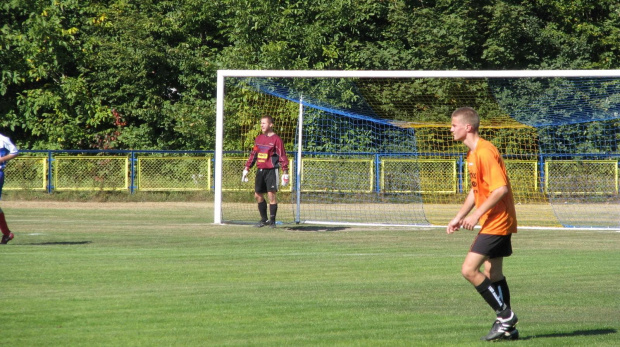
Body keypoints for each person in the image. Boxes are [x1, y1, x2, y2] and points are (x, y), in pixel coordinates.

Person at [446, 107, 519, 341]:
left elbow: (500, 189)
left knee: (469, 270)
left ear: (468, 127)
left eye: (454, 125)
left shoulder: (485, 152)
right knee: (493, 272)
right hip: (494, 220)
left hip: (497, 222)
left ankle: (505, 316)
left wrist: (476, 215)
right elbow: (477, 190)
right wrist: (459, 216)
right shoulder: (472, 154)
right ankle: (508, 329)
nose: (451, 129)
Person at [242, 116, 289, 228]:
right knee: (257, 195)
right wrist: (246, 168)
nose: (262, 125)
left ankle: (272, 222)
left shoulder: (277, 139)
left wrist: (285, 172)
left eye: (264, 123)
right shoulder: (258, 139)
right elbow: (254, 155)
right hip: (260, 170)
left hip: (271, 171)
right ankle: (264, 220)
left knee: (271, 195)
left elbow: (282, 156)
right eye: (261, 123)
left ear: (271, 125)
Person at [0, 133, 18, 244]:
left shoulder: (3, 139)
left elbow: (15, 152)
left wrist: (1, 159)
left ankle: (7, 233)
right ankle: (7, 234)